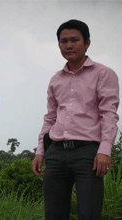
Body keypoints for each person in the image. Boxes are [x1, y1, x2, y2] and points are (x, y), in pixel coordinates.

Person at [32, 19, 119, 220]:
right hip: (56, 153)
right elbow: (50, 117)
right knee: (53, 214)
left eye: (74, 40)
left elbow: (109, 114)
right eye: (63, 41)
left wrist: (105, 150)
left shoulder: (104, 74)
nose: (68, 45)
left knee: (88, 213)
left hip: (88, 153)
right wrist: (40, 151)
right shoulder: (56, 80)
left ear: (87, 43)